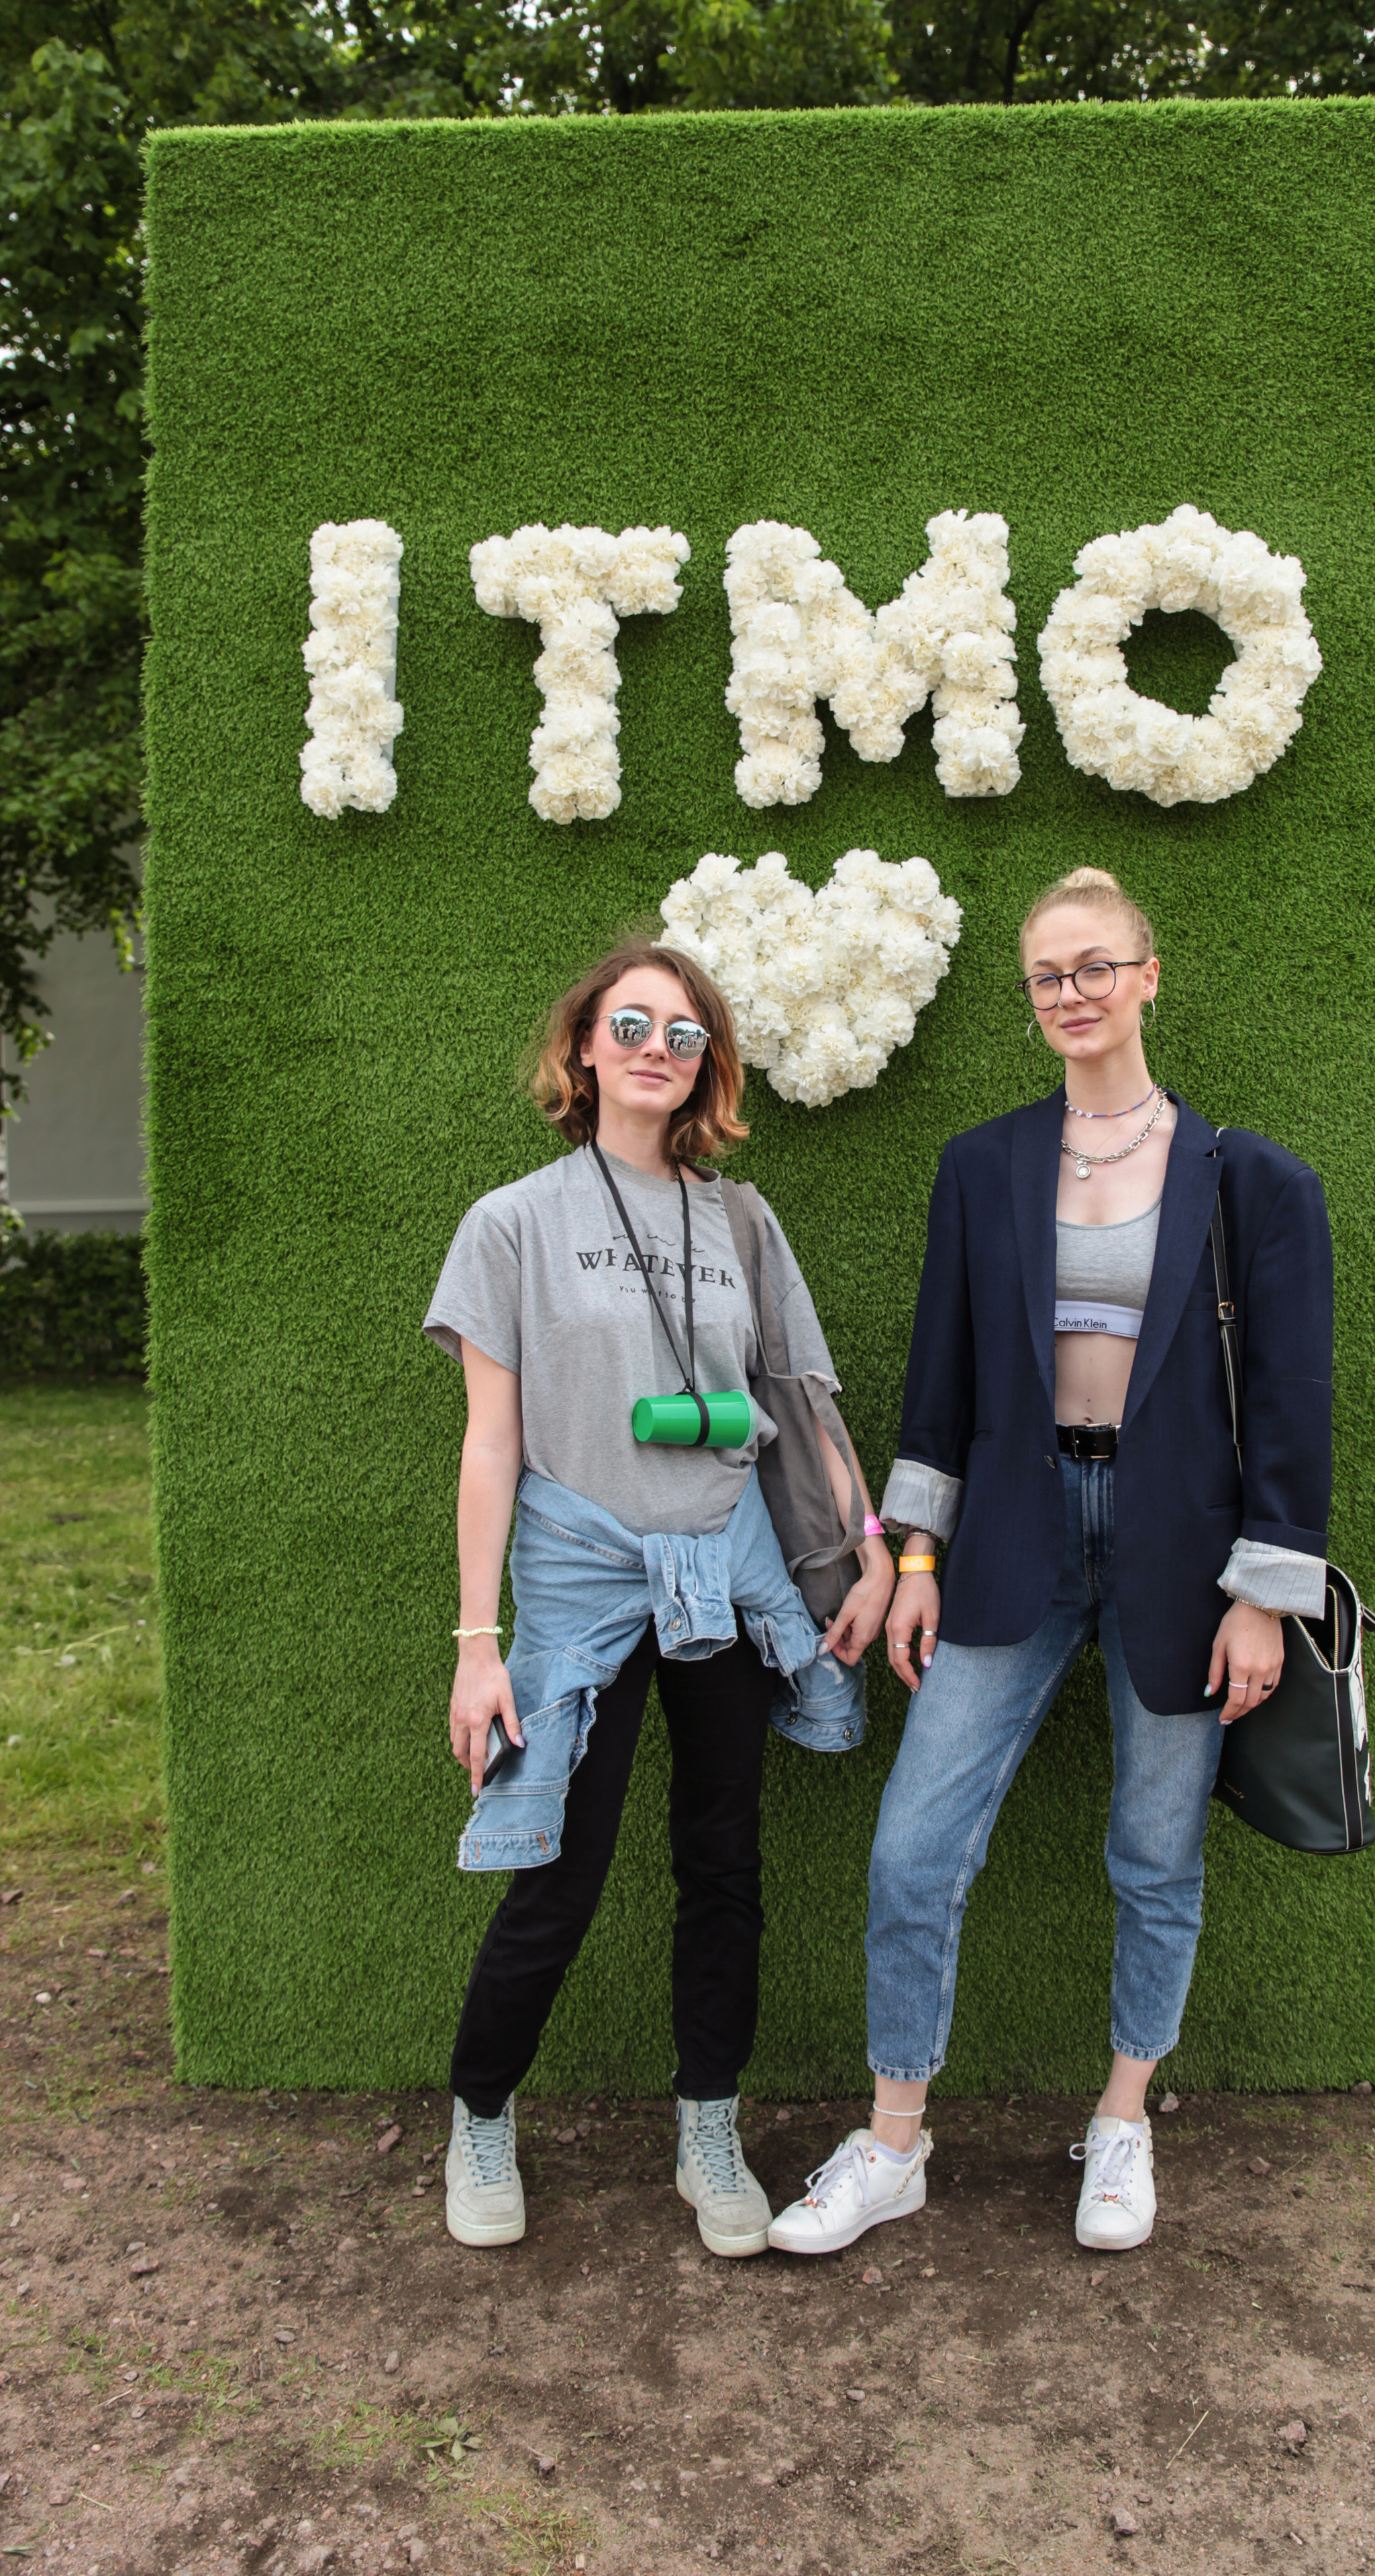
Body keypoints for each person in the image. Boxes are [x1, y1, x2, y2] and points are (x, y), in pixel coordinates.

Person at [770, 865, 1333, 2260]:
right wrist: (909, 1554)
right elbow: (939, 1388)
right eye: (1045, 975)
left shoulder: (1248, 1181)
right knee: (911, 1853)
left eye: (1094, 966)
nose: (1070, 993)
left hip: (1183, 1565)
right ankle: (892, 2145)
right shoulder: (982, 1168)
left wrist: (1265, 1594)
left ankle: (1123, 2121)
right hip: (1013, 1549)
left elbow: (1289, 1402)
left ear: (1148, 975)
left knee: (1153, 1857)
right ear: (1027, 1000)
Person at [424, 938, 895, 2259]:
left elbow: (802, 1400)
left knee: (722, 1859)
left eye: (681, 1035)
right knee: (556, 1875)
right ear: (583, 1046)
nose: (653, 1047)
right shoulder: (511, 1224)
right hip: (579, 1586)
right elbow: (490, 1446)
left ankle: (708, 2123)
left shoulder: (741, 1220)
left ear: (705, 1067)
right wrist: (477, 1644)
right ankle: (478, 2115)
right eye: (629, 1023)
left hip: (726, 1576)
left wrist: (863, 1548)